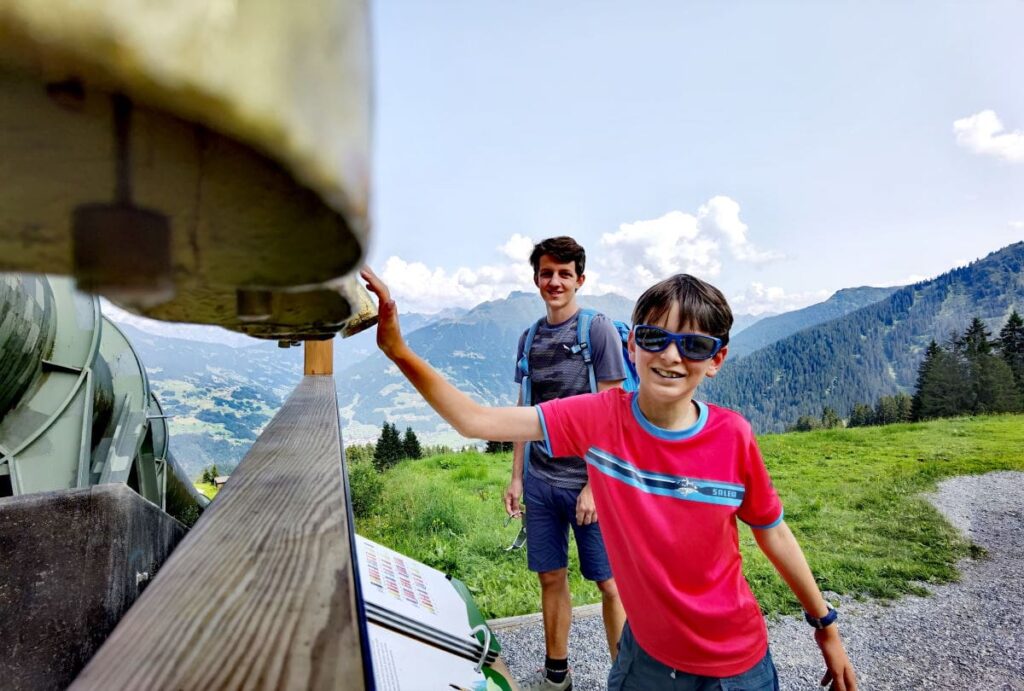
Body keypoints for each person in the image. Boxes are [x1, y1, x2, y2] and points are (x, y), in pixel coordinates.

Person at [359, 266, 857, 691]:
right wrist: (398, 349)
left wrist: (825, 626)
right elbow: (476, 421)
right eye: (655, 338)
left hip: (735, 667)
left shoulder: (734, 437)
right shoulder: (601, 417)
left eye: (695, 345)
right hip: (644, 657)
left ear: (717, 360)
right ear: (632, 344)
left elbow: (772, 532)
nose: (670, 356)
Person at [504, 236, 627, 690]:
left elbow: (613, 412)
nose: (554, 281)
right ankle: (557, 677)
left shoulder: (597, 331)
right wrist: (516, 477)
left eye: (564, 273)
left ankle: (624, 677)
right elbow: (525, 409)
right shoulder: (530, 337)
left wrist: (595, 486)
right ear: (536, 277)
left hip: (588, 485)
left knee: (610, 584)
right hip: (540, 481)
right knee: (550, 577)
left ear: (580, 279)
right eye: (546, 273)